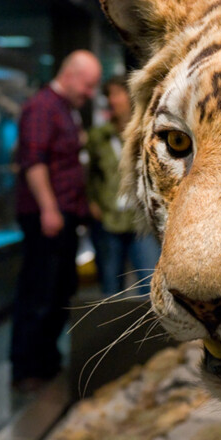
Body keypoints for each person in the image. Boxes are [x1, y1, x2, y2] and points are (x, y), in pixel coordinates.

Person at [10, 50, 102, 393]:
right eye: (89, 85)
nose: (90, 93)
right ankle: (27, 368)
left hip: (64, 218)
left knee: (57, 290)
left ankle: (45, 362)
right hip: (47, 217)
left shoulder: (64, 109)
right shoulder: (42, 107)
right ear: (71, 74)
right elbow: (32, 161)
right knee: (38, 292)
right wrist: (49, 208)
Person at [87, 75, 160, 296]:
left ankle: (145, 331)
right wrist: (92, 202)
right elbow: (90, 174)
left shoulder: (148, 132)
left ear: (129, 96)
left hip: (141, 222)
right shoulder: (98, 136)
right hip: (110, 220)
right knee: (111, 287)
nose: (112, 100)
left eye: (116, 94)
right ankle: (113, 332)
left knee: (150, 284)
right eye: (108, 95)